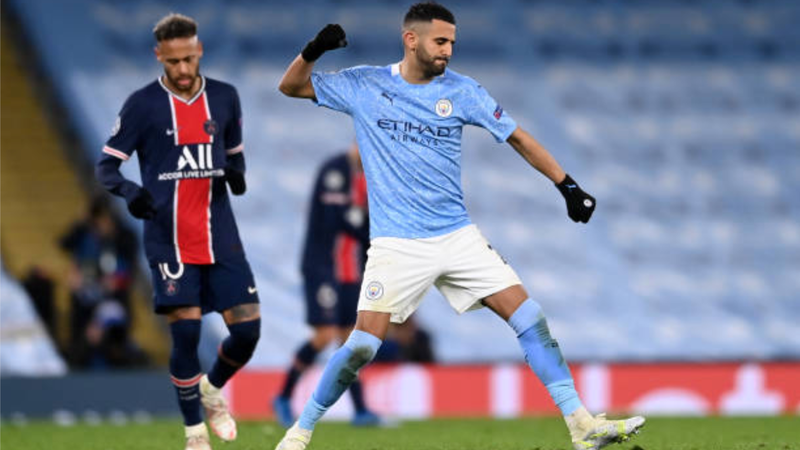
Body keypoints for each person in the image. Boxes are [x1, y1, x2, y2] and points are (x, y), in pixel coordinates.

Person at [274, 3, 645, 450]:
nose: (448, 50)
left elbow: (518, 137)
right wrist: (314, 50)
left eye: (452, 42)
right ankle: (300, 433)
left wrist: (567, 185)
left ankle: (582, 426)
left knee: (530, 317)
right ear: (411, 39)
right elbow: (290, 85)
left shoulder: (463, 91)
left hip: (457, 236)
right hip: (397, 244)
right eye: (440, 41)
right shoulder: (365, 84)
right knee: (360, 348)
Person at [95, 13, 260, 450]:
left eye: (189, 59)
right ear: (159, 57)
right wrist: (129, 191)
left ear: (200, 49)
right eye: (174, 63)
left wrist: (238, 175)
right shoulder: (142, 105)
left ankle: (211, 389)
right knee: (185, 334)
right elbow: (107, 166)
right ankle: (193, 433)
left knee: (247, 333)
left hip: (221, 234)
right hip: (168, 237)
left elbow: (234, 155)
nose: (183, 71)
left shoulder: (225, 98)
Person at [272, 143, 381, 427]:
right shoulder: (335, 170)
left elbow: (358, 220)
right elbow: (340, 220)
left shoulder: (365, 175)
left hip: (348, 271)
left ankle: (360, 410)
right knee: (324, 335)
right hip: (323, 268)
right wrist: (373, 232)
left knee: (350, 342)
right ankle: (283, 397)